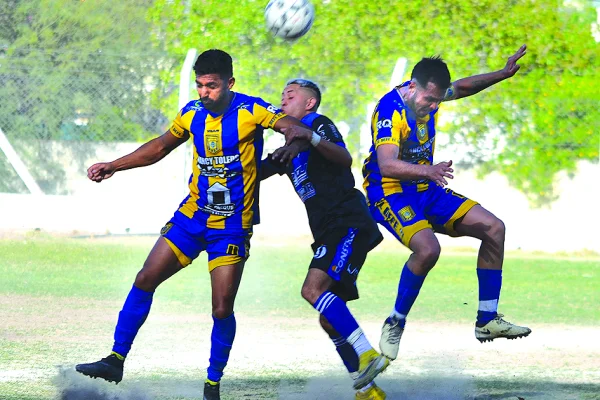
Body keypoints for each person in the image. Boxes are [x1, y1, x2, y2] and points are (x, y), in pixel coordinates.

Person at [75, 49, 314, 400]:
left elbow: (295, 128)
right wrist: (114, 165)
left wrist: (291, 146)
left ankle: (212, 384)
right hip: (193, 216)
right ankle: (115, 359)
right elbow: (159, 147)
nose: (204, 92)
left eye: (212, 86)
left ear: (229, 83)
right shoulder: (191, 112)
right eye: (200, 85)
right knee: (145, 278)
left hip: (232, 225)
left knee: (221, 307)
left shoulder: (252, 110)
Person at [362, 45, 532, 362]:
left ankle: (486, 319)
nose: (433, 106)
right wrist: (428, 170)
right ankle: (395, 322)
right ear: (412, 87)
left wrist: (502, 74)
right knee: (428, 249)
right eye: (429, 99)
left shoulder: (430, 95)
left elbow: (463, 87)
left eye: (438, 100)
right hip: (389, 191)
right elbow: (387, 165)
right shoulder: (390, 111)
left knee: (494, 228)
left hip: (426, 185)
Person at [262, 79, 388, 399]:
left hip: (346, 222)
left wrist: (310, 135)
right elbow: (257, 171)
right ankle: (369, 391)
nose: (283, 98)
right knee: (330, 320)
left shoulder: (316, 124)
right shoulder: (292, 144)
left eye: (291, 94)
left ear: (309, 104)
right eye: (282, 95)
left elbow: (343, 159)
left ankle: (367, 353)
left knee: (312, 290)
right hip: (328, 232)